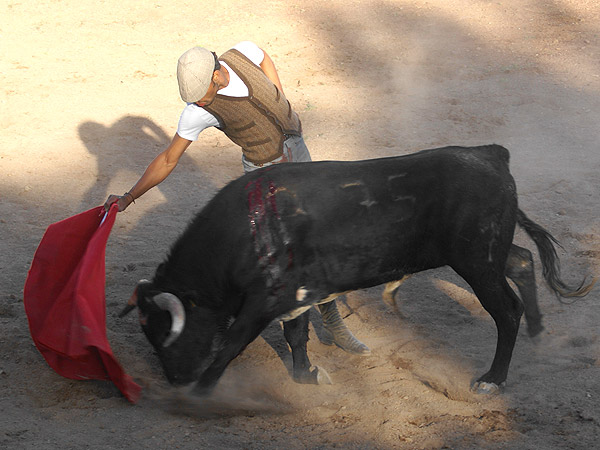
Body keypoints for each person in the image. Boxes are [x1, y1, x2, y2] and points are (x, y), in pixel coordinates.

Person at [104, 41, 370, 356]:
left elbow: (264, 57)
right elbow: (168, 160)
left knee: (317, 235)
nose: (197, 104)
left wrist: (280, 98)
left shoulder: (242, 54)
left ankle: (330, 319)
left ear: (217, 74)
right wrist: (129, 197)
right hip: (265, 174)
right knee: (286, 257)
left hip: (297, 152)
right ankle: (306, 344)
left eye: (200, 95)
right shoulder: (197, 113)